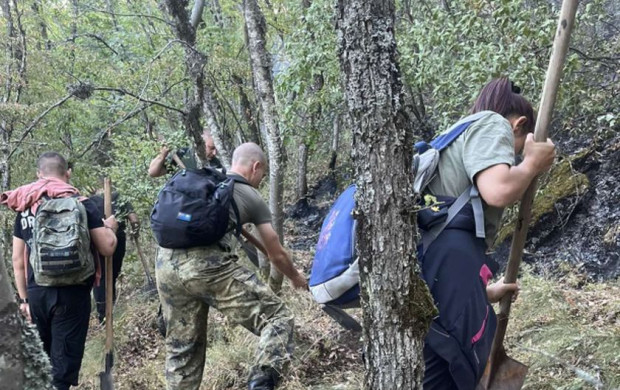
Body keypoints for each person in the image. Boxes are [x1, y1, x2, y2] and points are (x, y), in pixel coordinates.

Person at [419, 78, 556, 389]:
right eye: (518, 149)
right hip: (446, 266)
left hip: (438, 273)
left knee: (446, 360)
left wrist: (482, 295)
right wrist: (532, 164)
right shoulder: (493, 124)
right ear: (519, 125)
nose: (515, 156)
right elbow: (498, 190)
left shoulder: (454, 136)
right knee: (454, 370)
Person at [156, 142, 308, 390]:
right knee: (278, 318)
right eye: (263, 174)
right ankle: (260, 385)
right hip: (205, 266)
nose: (261, 179)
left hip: (165, 263)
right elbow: (277, 254)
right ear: (255, 166)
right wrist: (295, 277)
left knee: (182, 352)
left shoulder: (207, 180)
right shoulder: (249, 195)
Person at [1, 152, 118, 390]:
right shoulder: (82, 204)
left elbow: (18, 260)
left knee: (40, 362)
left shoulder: (25, 207)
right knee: (61, 368)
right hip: (73, 295)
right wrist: (111, 228)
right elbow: (107, 247)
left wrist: (24, 300)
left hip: (37, 293)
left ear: (38, 175)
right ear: (68, 174)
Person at [90, 187, 140, 324]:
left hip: (98, 240)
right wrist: (135, 232)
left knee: (100, 278)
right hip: (117, 240)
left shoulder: (91, 201)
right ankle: (109, 310)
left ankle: (104, 316)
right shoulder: (120, 198)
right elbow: (134, 220)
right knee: (111, 275)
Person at [148, 129, 224, 177]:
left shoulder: (217, 165)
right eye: (211, 148)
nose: (214, 153)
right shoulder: (183, 154)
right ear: (200, 143)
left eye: (216, 149)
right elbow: (153, 172)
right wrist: (162, 155)